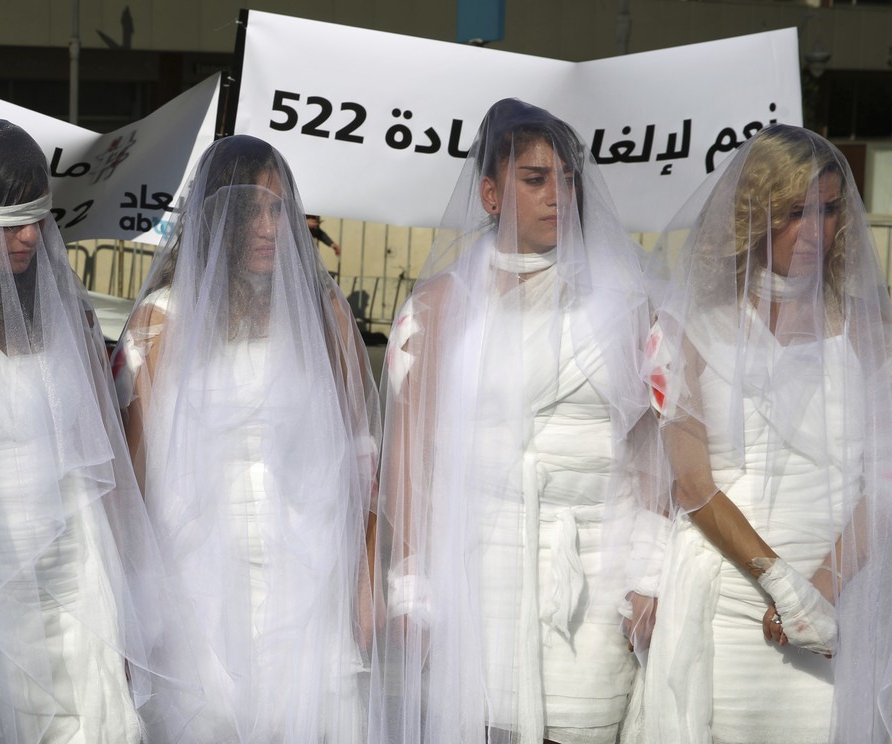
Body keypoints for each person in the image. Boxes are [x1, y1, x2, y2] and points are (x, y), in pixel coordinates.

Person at [372, 98, 660, 744]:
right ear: (492, 192)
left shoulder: (626, 303)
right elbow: (412, 455)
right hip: (479, 576)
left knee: (583, 728)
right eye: (535, 179)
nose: (557, 195)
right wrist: (411, 585)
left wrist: (650, 575)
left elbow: (651, 455)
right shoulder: (440, 305)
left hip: (592, 575)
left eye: (567, 178)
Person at [0, 119, 164, 744]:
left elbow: (104, 460)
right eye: (10, 221)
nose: (27, 237)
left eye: (37, 219)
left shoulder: (67, 312)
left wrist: (127, 602)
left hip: (74, 576)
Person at [114, 134, 379, 743]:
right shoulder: (162, 320)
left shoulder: (322, 313)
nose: (268, 227)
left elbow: (361, 452)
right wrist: (134, 604)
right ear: (216, 218)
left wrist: (366, 579)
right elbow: (136, 473)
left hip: (306, 573)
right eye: (250, 211)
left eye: (279, 210)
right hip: (196, 580)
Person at [640, 125, 891, 744]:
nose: (814, 231)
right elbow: (691, 480)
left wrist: (822, 592)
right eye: (793, 212)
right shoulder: (688, 328)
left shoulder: (870, 331)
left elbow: (882, 480)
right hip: (728, 601)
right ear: (752, 214)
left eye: (828, 210)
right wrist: (782, 584)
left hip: (842, 593)